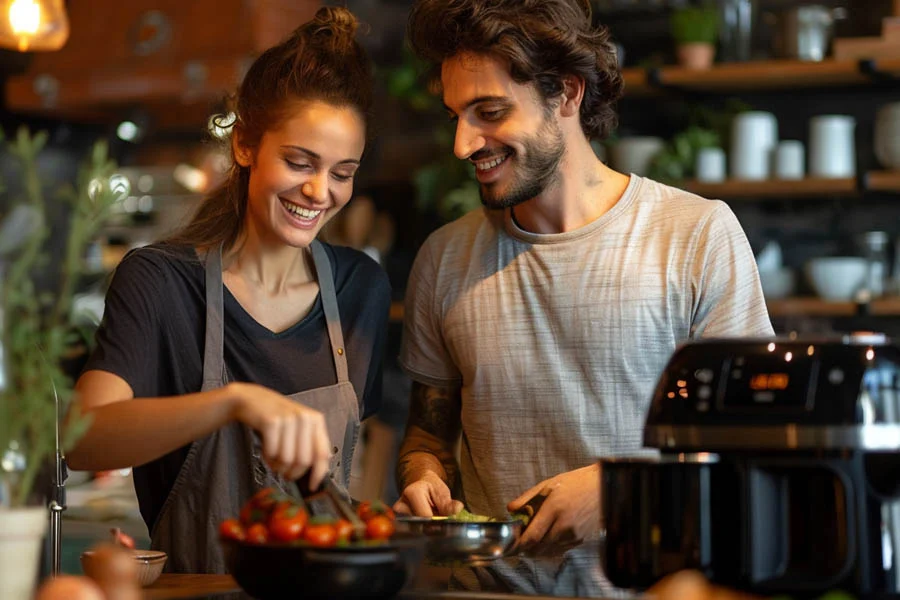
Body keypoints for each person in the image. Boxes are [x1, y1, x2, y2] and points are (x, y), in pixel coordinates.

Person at [394, 0, 774, 595]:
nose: (463, 144)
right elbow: (427, 434)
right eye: (455, 117)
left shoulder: (696, 236)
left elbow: (757, 447)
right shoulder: (444, 259)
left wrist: (620, 491)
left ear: (566, 94)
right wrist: (422, 476)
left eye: (489, 112)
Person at [66, 6, 390, 574]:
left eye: (343, 172)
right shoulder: (161, 282)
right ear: (245, 145)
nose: (319, 191)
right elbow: (84, 439)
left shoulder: (361, 288)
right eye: (299, 162)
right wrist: (233, 402)